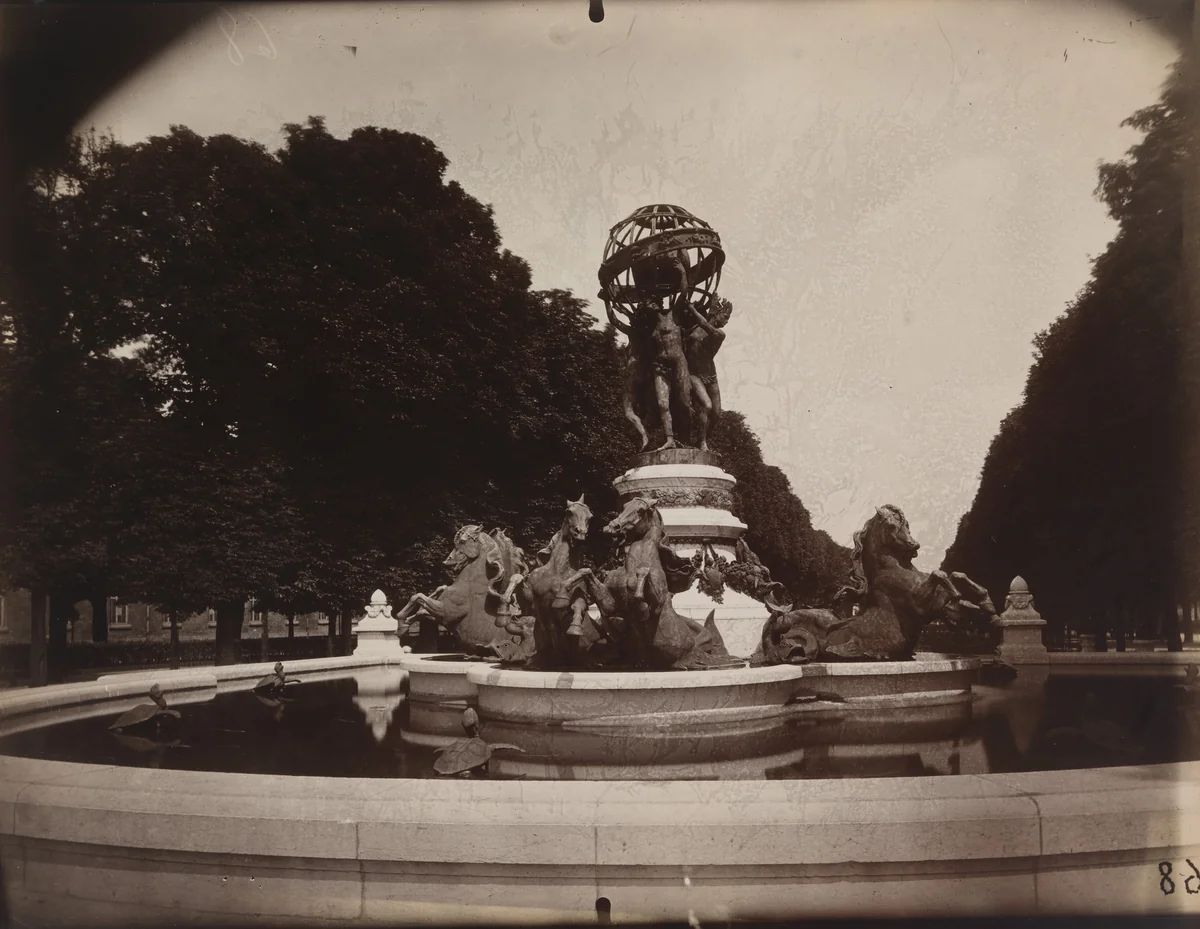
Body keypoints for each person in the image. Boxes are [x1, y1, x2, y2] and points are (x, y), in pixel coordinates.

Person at [684, 296, 732, 450]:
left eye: (727, 318)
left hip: (711, 377)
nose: (726, 321)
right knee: (707, 405)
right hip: (694, 375)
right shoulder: (692, 329)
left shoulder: (719, 334)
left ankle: (701, 439)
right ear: (716, 313)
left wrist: (691, 308)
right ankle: (702, 441)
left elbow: (704, 323)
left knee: (717, 413)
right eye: (725, 316)